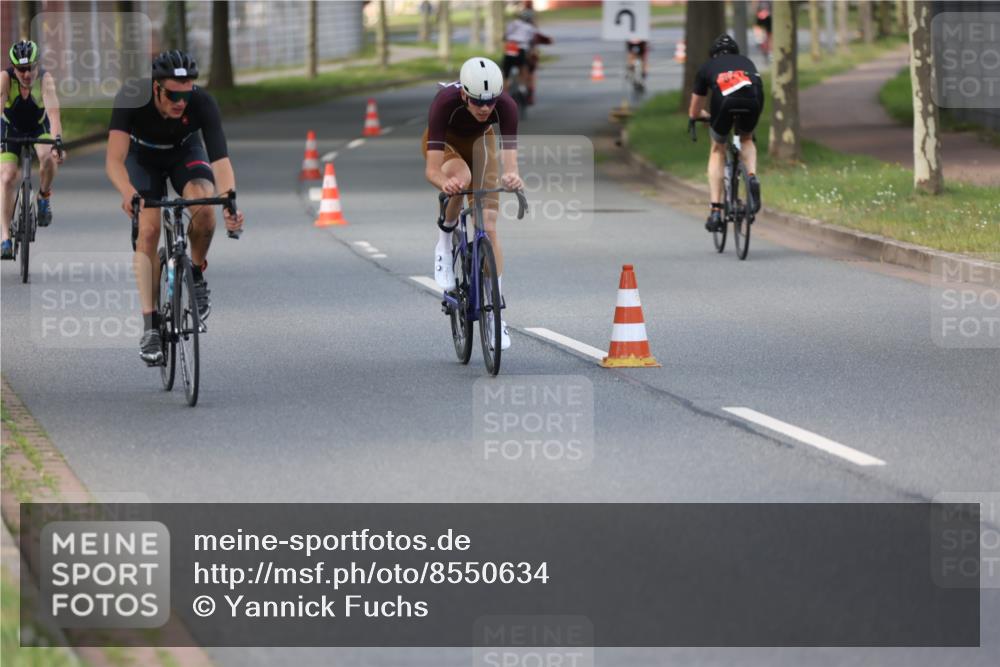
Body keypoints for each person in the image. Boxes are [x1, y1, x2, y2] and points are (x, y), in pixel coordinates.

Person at [106, 50, 245, 365]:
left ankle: (194, 273)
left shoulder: (202, 102)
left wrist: (229, 200)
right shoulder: (131, 97)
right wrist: (128, 191)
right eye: (172, 95)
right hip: (143, 158)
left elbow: (220, 159)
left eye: (186, 93)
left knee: (205, 210)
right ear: (155, 87)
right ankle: (151, 326)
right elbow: (114, 160)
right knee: (150, 229)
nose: (180, 102)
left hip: (184, 151)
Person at [422, 57, 522, 351]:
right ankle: (444, 243)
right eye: (478, 101)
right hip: (447, 144)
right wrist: (445, 182)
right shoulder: (444, 103)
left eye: (490, 102)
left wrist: (513, 177)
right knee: (461, 178)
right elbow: (432, 170)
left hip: (482, 142)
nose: (485, 108)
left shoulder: (507, 107)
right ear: (464, 94)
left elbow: (510, 164)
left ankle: (497, 316)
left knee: (488, 223)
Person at [687, 34, 764, 232]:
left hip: (724, 103)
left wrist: (705, 116)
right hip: (753, 99)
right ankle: (753, 176)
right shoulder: (747, 62)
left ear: (713, 55)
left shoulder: (706, 67)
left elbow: (694, 111)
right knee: (746, 137)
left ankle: (715, 210)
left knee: (717, 149)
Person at [1, 39, 64, 259]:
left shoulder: (45, 80)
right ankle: (5, 237)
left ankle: (44, 196)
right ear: (14, 68)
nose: (27, 74)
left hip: (38, 128)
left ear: (37, 65)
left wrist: (57, 141)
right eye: (21, 69)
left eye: (30, 68)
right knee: (8, 177)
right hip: (11, 129)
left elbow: (53, 113)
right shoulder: (5, 79)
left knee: (48, 157)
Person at [502, 9, 551, 105]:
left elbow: (505, 36)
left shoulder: (513, 24)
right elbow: (534, 40)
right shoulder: (531, 27)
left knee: (506, 73)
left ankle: (504, 95)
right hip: (521, 49)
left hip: (510, 48)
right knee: (524, 68)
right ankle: (522, 87)